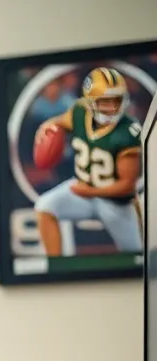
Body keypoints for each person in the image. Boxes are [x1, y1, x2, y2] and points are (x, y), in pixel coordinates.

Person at [32, 66, 143, 258]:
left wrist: (91, 191)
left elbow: (127, 185)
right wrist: (46, 127)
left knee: (139, 256)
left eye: (116, 101)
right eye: (104, 102)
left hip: (116, 203)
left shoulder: (128, 131)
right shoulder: (80, 111)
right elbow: (58, 123)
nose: (112, 108)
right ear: (90, 101)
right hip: (82, 190)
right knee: (45, 206)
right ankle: (55, 267)